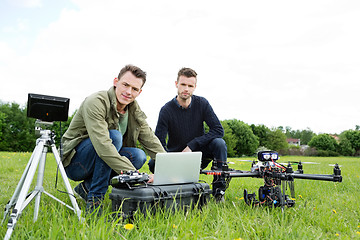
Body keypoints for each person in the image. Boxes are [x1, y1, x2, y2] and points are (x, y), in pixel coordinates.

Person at [61, 64, 165, 214]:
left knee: (138, 155)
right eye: (125, 85)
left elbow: (150, 139)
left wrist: (169, 168)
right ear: (116, 82)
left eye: (134, 89)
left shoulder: (133, 109)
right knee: (114, 137)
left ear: (139, 92)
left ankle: (86, 189)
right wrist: (137, 175)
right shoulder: (96, 101)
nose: (128, 92)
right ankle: (95, 202)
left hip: (102, 158)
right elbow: (103, 146)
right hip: (76, 163)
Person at [149, 67, 227, 202]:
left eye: (190, 86)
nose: (186, 89)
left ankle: (219, 192)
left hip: (199, 157)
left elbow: (218, 130)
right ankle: (169, 186)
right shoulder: (166, 110)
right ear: (176, 84)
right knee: (152, 163)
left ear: (195, 87)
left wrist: (192, 145)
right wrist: (168, 162)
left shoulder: (202, 103)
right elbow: (159, 141)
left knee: (219, 143)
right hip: (176, 157)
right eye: (183, 84)